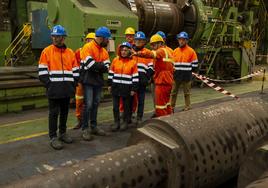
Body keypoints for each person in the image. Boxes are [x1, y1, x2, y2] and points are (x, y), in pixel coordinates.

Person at [38, 25, 79, 150]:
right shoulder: (46, 51)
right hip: (54, 90)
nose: (55, 39)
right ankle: (53, 137)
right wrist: (50, 85)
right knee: (54, 113)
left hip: (66, 90)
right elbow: (42, 72)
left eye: (58, 36)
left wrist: (72, 86)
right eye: (54, 36)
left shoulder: (70, 53)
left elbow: (76, 71)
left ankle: (63, 133)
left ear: (64, 38)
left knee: (65, 113)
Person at [80, 27, 111, 141]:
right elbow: (90, 64)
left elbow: (107, 66)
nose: (108, 41)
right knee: (88, 105)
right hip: (88, 80)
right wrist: (100, 66)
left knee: (96, 103)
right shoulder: (87, 47)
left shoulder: (104, 51)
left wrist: (97, 67)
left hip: (97, 81)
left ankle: (93, 126)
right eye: (107, 39)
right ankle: (85, 129)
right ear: (102, 38)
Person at [133, 34, 174, 117]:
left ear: (160, 44)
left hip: (162, 81)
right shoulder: (168, 51)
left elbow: (151, 54)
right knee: (166, 104)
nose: (152, 47)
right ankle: (170, 119)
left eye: (154, 44)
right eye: (151, 45)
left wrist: (137, 53)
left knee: (160, 105)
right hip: (167, 80)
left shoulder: (161, 51)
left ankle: (162, 123)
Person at [108, 42, 139, 131]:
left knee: (126, 107)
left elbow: (135, 77)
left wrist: (133, 89)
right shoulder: (115, 60)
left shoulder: (133, 62)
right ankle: (116, 122)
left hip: (127, 88)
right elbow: (111, 73)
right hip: (116, 87)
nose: (123, 52)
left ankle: (125, 122)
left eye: (125, 50)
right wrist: (109, 85)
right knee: (115, 107)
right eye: (122, 50)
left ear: (129, 51)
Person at [170, 31, 198, 111]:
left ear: (186, 41)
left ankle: (187, 106)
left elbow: (195, 65)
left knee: (187, 93)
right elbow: (172, 63)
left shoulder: (191, 51)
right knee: (173, 93)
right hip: (176, 75)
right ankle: (171, 107)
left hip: (186, 76)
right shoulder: (175, 51)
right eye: (180, 39)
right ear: (178, 40)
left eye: (183, 40)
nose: (181, 41)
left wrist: (190, 73)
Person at [73, 32, 95, 130]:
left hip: (90, 80)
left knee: (90, 102)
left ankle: (89, 121)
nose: (90, 42)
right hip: (81, 81)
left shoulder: (95, 52)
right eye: (89, 40)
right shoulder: (79, 51)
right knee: (79, 101)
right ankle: (80, 120)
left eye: (92, 40)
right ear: (86, 40)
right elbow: (74, 65)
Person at [132, 31, 154, 124]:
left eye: (140, 40)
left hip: (142, 80)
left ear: (144, 42)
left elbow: (152, 67)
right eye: (137, 40)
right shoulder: (130, 52)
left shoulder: (147, 53)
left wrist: (147, 77)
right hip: (132, 80)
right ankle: (129, 116)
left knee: (141, 100)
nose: (138, 42)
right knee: (130, 99)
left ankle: (139, 117)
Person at [119, 27, 138, 120]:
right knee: (122, 95)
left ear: (133, 36)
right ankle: (122, 111)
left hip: (133, 71)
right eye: (127, 36)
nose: (129, 37)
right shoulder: (122, 46)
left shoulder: (135, 47)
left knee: (134, 95)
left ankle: (133, 111)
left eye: (130, 36)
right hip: (124, 72)